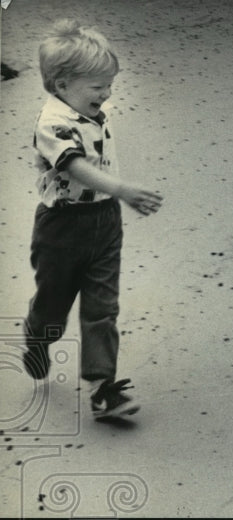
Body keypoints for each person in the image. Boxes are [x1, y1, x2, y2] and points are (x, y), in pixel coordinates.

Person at [22, 19, 163, 420]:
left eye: (109, 85)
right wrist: (122, 188)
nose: (107, 94)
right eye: (98, 87)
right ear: (62, 85)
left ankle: (103, 388)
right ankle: (37, 337)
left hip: (105, 221)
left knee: (103, 308)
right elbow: (76, 166)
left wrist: (116, 199)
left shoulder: (89, 109)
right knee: (53, 303)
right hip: (61, 228)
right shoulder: (52, 123)